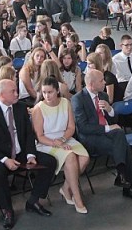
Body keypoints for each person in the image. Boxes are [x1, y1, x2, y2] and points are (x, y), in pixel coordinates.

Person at [0, 79, 57, 230]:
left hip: (21, 153)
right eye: (12, 91)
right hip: (0, 156)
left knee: (50, 162)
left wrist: (30, 155)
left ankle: (33, 200)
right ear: (1, 95)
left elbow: (28, 134)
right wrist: (5, 159)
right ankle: (7, 211)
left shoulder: (20, 108)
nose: (17, 93)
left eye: (16, 90)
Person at [72, 70, 132, 202]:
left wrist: (110, 110)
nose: (105, 82)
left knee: (119, 134)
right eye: (101, 80)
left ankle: (123, 177)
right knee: (122, 143)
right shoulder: (78, 99)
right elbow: (83, 128)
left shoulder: (104, 96)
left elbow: (114, 119)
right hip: (90, 138)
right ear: (91, 84)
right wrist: (107, 128)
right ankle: (127, 184)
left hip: (109, 134)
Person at [31, 77, 90, 214]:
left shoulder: (65, 102)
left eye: (50, 92)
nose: (47, 95)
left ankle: (65, 188)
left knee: (84, 158)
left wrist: (63, 139)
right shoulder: (38, 109)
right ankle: (77, 197)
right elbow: (39, 136)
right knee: (70, 157)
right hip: (47, 143)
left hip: (65, 138)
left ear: (57, 91)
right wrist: (56, 143)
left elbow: (71, 127)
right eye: (44, 92)